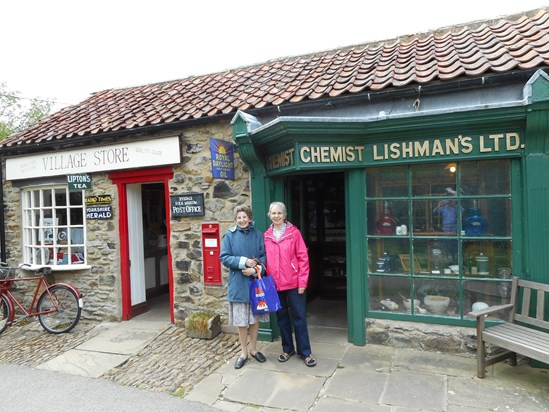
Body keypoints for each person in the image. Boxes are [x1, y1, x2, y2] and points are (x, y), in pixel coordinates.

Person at [264, 201, 317, 367]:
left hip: (294, 283)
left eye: (279, 213)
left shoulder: (294, 233)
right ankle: (287, 349)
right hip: (274, 284)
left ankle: (305, 352)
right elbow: (262, 258)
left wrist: (302, 282)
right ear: (269, 215)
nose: (276, 216)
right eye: (273, 213)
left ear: (285, 215)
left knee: (299, 318)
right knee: (282, 319)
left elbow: (303, 258)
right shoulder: (266, 236)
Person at [220, 205, 269, 369]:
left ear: (249, 218)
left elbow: (264, 257)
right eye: (239, 217)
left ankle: (254, 349)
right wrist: (244, 261)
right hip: (238, 284)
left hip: (255, 283)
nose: (242, 220)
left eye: (244, 217)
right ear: (236, 219)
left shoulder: (258, 235)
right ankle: (243, 352)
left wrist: (255, 269)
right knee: (242, 322)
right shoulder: (229, 235)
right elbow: (225, 257)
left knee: (254, 320)